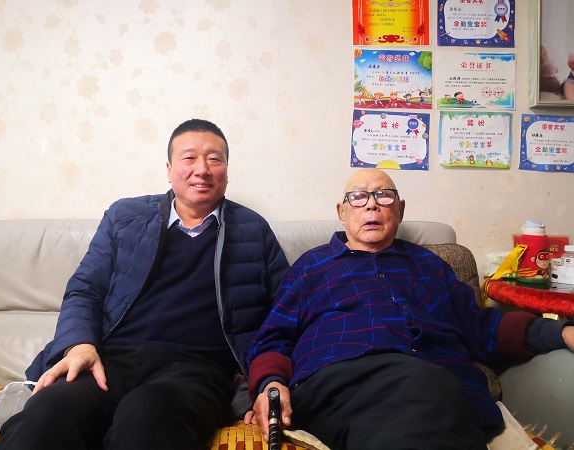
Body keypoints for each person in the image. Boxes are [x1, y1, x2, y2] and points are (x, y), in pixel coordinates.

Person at [0, 119, 290, 450]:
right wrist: (80, 345)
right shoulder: (125, 216)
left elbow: (285, 314)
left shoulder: (253, 229)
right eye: (189, 158)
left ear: (226, 171)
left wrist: (267, 380)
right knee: (49, 412)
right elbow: (85, 289)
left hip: (195, 370)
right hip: (110, 359)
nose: (202, 169)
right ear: (169, 169)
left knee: (147, 417)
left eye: (214, 159)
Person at [245, 168, 574, 450]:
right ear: (341, 212)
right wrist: (271, 384)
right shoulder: (312, 266)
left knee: (430, 396)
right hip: (340, 379)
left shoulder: (430, 265)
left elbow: (480, 326)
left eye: (383, 195)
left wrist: (560, 332)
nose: (371, 203)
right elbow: (273, 337)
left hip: (440, 384)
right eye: (358, 197)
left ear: (400, 210)